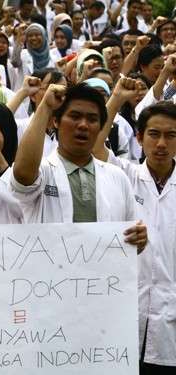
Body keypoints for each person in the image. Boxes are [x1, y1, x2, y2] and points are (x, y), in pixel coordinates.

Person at [91, 80, 176, 375]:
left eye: (170, 136)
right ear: (139, 138)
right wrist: (115, 99)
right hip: (126, 315)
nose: (161, 143)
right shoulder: (123, 174)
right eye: (153, 134)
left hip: (170, 321)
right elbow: (94, 147)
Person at [10, 82, 147, 249]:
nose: (83, 125)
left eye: (92, 119)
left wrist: (139, 240)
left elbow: (132, 240)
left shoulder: (118, 177)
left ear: (101, 128)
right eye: (74, 116)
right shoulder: (43, 172)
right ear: (56, 122)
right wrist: (46, 106)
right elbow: (22, 174)